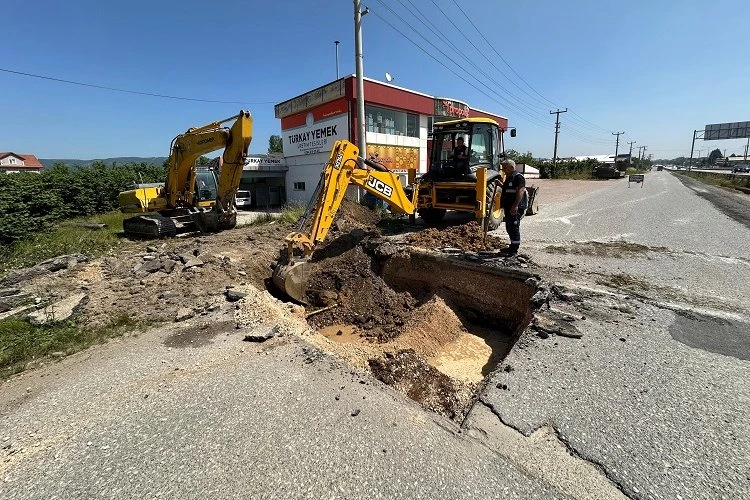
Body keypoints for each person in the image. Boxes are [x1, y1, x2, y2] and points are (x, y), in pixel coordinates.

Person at [500, 159, 527, 254]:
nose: (503, 170)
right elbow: (508, 190)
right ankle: (512, 246)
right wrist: (499, 184)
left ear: (512, 167)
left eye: (505, 168)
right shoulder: (509, 177)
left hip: (515, 207)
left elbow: (520, 191)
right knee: (509, 227)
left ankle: (514, 249)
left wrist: (515, 206)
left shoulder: (518, 178)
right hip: (509, 206)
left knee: (513, 227)